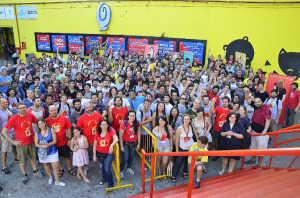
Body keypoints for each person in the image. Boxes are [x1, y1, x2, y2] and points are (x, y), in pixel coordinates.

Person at [1, 102, 44, 183]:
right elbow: (3, 131)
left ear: (26, 108)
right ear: (17, 109)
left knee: (33, 158)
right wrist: (13, 141)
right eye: (20, 108)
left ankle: (35, 171)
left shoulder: (30, 115)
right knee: (22, 160)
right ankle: (24, 174)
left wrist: (37, 135)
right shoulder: (14, 118)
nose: (22, 109)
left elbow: (39, 123)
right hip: (21, 144)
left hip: (31, 141)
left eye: (24, 107)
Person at [45, 105, 75, 177]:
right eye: (51, 111)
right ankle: (61, 169)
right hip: (53, 143)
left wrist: (70, 139)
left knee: (67, 157)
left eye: (54, 110)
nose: (53, 112)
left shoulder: (63, 118)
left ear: (57, 110)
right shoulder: (46, 120)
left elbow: (68, 128)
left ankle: (69, 168)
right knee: (57, 157)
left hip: (64, 141)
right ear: (49, 112)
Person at [34, 118, 65, 186]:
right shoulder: (37, 133)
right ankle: (50, 177)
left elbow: (55, 141)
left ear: (45, 123)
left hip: (52, 151)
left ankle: (57, 180)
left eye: (42, 123)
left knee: (55, 166)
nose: (41, 125)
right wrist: (43, 146)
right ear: (37, 125)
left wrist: (47, 145)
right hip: (42, 152)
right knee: (46, 165)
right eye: (39, 124)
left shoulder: (51, 130)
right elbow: (36, 144)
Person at [244, 89, 271, 167]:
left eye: (258, 102)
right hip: (254, 132)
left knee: (261, 150)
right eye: (256, 102)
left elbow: (268, 120)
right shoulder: (256, 106)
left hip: (262, 134)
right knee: (254, 147)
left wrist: (265, 130)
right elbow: (248, 99)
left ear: (261, 102)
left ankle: (259, 165)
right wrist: (246, 92)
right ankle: (253, 160)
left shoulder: (266, 109)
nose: (257, 103)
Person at [172, 114, 198, 182]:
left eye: (188, 119)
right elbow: (177, 140)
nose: (186, 120)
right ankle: (174, 175)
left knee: (188, 161)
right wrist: (177, 150)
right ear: (183, 120)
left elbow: (196, 135)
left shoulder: (191, 127)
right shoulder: (179, 128)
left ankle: (185, 172)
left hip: (191, 148)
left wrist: (198, 145)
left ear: (190, 120)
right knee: (179, 162)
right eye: (185, 119)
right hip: (182, 148)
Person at [93, 119, 118, 189]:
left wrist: (111, 145)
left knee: (107, 169)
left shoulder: (110, 131)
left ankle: (111, 183)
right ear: (100, 126)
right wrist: (94, 155)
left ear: (107, 125)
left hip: (109, 153)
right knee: (103, 166)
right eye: (102, 125)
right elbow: (94, 145)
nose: (104, 126)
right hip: (99, 153)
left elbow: (116, 139)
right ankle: (104, 178)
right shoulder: (97, 133)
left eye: (105, 124)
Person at [119, 110, 141, 179]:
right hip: (125, 143)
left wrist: (138, 144)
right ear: (128, 116)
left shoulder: (137, 123)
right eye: (131, 116)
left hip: (133, 143)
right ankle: (121, 170)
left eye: (133, 116)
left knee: (131, 157)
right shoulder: (124, 123)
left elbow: (138, 133)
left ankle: (129, 168)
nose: (132, 117)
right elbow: (120, 136)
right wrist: (121, 146)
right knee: (125, 158)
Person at [210, 96, 231, 161]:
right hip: (217, 130)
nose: (224, 103)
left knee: (226, 144)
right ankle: (217, 155)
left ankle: (226, 157)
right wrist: (213, 103)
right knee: (217, 143)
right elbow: (212, 111)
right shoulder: (218, 108)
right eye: (223, 102)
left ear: (228, 103)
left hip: (226, 131)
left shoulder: (230, 111)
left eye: (225, 102)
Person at [0, 98, 18, 174]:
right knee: (4, 150)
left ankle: (16, 158)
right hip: (5, 133)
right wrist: (2, 134)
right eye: (3, 103)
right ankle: (4, 167)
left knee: (14, 145)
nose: (5, 104)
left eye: (6, 102)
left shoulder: (7, 109)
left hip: (12, 131)